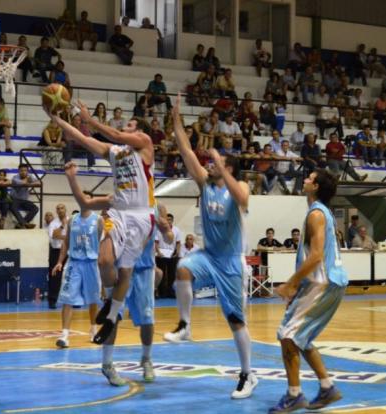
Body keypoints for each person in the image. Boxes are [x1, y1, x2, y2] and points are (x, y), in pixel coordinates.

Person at [164, 93, 258, 400]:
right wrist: (176, 120)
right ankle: (185, 325)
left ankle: (247, 374)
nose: (210, 164)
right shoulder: (204, 183)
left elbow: (242, 198)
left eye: (217, 163)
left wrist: (222, 164)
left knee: (236, 321)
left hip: (231, 261)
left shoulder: (239, 186)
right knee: (183, 268)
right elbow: (185, 149)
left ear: (228, 167)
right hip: (209, 255)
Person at [46, 98, 155, 347]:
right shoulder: (114, 152)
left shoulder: (145, 143)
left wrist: (90, 120)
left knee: (125, 270)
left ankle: (113, 315)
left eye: (131, 125)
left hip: (140, 214)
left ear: (140, 131)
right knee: (104, 261)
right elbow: (83, 139)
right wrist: (56, 118)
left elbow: (115, 134)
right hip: (118, 211)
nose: (126, 127)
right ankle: (111, 302)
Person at [63, 162, 173, 384]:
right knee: (114, 317)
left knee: (147, 320)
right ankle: (107, 364)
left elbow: (168, 238)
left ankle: (146, 359)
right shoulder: (115, 201)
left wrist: (167, 232)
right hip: (120, 270)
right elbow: (86, 203)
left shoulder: (155, 206)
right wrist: (72, 178)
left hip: (143, 269)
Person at [270, 169, 348, 413]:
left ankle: (294, 395)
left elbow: (315, 256)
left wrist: (291, 283)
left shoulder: (316, 214)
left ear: (315, 187)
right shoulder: (321, 212)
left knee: (287, 335)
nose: (304, 179)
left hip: (321, 283)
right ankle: (327, 387)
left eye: (309, 178)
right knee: (301, 338)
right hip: (325, 282)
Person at [52, 193, 102, 347]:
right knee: (67, 299)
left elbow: (102, 244)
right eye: (81, 198)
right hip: (74, 263)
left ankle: (93, 329)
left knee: (93, 300)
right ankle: (64, 335)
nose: (83, 200)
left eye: (87, 198)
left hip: (92, 263)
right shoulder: (72, 220)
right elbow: (66, 242)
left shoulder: (98, 220)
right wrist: (59, 262)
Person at [155, 213, 182, 298]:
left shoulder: (177, 230)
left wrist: (177, 252)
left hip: (172, 254)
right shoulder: (159, 229)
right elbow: (156, 242)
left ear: (172, 221)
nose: (168, 221)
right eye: (167, 219)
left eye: (170, 219)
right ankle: (161, 292)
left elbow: (178, 243)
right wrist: (158, 252)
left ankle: (171, 292)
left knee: (172, 274)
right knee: (161, 274)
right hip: (161, 254)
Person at [47, 203, 68, 308]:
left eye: (62, 208)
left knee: (73, 275)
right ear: (56, 211)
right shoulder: (53, 223)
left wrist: (61, 236)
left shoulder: (72, 221)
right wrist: (62, 226)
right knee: (55, 276)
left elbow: (73, 236)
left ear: (65, 209)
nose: (60, 210)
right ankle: (52, 300)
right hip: (56, 251)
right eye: (58, 208)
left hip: (69, 251)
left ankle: (73, 300)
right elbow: (54, 236)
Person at [9, 163, 41, 230]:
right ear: (19, 171)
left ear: (27, 171)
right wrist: (28, 181)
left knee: (35, 208)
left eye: (25, 170)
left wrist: (30, 183)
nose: (23, 172)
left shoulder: (30, 176)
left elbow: (39, 183)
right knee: (12, 207)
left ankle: (21, 223)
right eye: (21, 170)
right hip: (14, 198)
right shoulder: (15, 177)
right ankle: (24, 223)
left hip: (24, 200)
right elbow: (22, 183)